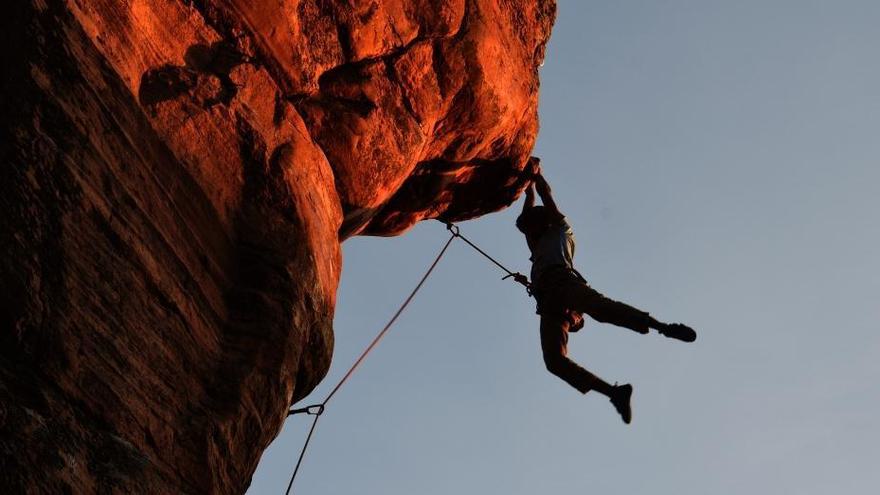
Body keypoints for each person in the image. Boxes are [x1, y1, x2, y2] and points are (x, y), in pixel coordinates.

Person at [513, 159, 696, 424]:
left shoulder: (560, 230)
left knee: (602, 309)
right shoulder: (538, 243)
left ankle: (663, 327)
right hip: (550, 302)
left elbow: (546, 196)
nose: (527, 234)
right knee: (554, 361)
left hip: (564, 284)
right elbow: (529, 206)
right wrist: (527, 185)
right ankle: (614, 392)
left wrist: (537, 176)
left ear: (540, 224)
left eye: (529, 228)